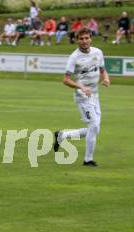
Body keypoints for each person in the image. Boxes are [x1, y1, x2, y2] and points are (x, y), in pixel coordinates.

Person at [54, 28, 110, 167]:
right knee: (94, 125)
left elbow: (103, 70)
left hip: (95, 96)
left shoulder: (98, 52)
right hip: (82, 97)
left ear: (91, 38)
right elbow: (66, 80)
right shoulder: (74, 57)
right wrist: (81, 88)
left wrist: (106, 79)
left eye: (87, 38)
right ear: (77, 40)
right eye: (81, 38)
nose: (84, 41)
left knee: (94, 130)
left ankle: (63, 136)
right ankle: (88, 160)